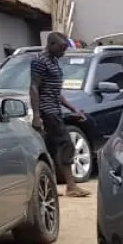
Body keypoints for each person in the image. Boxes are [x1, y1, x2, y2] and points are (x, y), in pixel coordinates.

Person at [29, 32, 89, 198]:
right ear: (51, 44)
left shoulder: (54, 61)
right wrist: (36, 115)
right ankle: (71, 186)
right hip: (47, 111)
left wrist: (73, 109)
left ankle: (52, 187)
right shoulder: (39, 61)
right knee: (66, 145)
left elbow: (56, 93)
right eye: (62, 49)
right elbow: (34, 87)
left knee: (52, 148)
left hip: (55, 108)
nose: (64, 52)